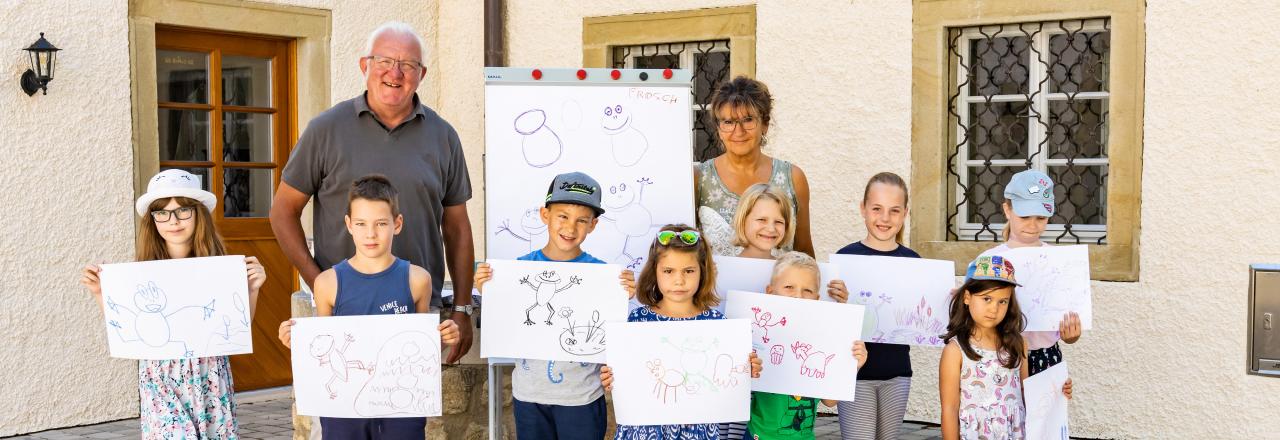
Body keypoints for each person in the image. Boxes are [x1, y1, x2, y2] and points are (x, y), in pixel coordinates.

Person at [269, 21, 477, 363]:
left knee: (408, 416)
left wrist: (462, 308)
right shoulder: (325, 130)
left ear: (421, 74)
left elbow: (457, 227)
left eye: (408, 64)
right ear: (365, 65)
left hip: (415, 313)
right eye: (384, 61)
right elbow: (282, 213)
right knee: (343, 414)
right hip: (343, 314)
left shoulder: (443, 136)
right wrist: (321, 281)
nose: (395, 72)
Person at [80, 169, 267, 438]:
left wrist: (252, 289)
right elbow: (128, 327)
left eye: (182, 210)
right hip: (160, 375)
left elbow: (238, 325)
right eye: (162, 212)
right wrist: (101, 293)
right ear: (153, 220)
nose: (173, 220)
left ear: (198, 213)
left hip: (209, 373)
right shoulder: (140, 272)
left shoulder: (220, 267)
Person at [277, 175, 460, 439]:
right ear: (349, 225)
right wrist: (298, 343)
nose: (370, 233)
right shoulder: (328, 283)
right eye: (361, 224)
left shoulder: (418, 280)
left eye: (381, 223)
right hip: (343, 412)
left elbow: (422, 350)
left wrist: (444, 337)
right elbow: (323, 352)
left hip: (400, 408)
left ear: (397, 224)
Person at [473, 172, 636, 440]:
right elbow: (504, 319)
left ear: (593, 225)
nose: (571, 228)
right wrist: (488, 289)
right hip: (529, 396)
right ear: (544, 215)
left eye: (582, 220)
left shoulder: (603, 275)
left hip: (581, 398)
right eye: (562, 216)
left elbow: (611, 333)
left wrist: (623, 295)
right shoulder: (517, 270)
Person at [601, 225, 764, 439]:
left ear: (702, 272)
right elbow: (626, 376)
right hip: (642, 431)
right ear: (654, 272)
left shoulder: (719, 325)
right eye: (668, 271)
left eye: (689, 271)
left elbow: (727, 380)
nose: (679, 280)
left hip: (698, 432)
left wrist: (746, 369)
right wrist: (610, 377)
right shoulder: (635, 321)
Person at [938, 255, 1072, 440]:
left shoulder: (1018, 345)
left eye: (1003, 301)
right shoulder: (955, 351)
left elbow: (1028, 397)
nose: (994, 308)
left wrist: (1056, 392)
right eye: (987, 299)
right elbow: (949, 408)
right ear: (967, 297)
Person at [745, 252, 868, 440]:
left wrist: (853, 366)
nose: (798, 296)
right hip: (759, 436)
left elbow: (829, 401)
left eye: (807, 291)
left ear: (817, 298)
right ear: (770, 292)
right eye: (789, 287)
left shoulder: (824, 339)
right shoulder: (759, 334)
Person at [832, 172, 917, 440]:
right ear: (863, 209)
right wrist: (838, 301)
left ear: (905, 213)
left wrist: (943, 299)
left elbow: (923, 315)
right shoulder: (845, 258)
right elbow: (829, 322)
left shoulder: (915, 262)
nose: (885, 218)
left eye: (894, 210)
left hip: (898, 372)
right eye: (877, 209)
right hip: (855, 372)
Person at [696, 76, 813, 267]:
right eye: (728, 122)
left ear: (765, 124)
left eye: (748, 120)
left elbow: (804, 254)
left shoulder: (793, 178)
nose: (738, 131)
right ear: (718, 128)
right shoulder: (699, 178)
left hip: (775, 294)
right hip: (718, 295)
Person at [980, 170, 1082, 376]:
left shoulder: (1060, 262)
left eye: (1041, 218)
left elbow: (1068, 328)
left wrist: (1071, 334)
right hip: (999, 358)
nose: (1033, 225)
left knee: (1044, 409)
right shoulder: (988, 261)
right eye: (1024, 216)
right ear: (1007, 210)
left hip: (1047, 357)